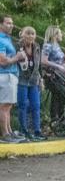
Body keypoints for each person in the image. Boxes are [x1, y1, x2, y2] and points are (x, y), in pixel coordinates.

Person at [15, 27, 46, 141]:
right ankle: (24, 130)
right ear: (22, 34)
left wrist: (41, 79)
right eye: (28, 33)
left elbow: (39, 65)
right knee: (22, 105)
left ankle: (37, 131)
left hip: (34, 81)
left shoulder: (37, 46)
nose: (30, 36)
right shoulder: (17, 46)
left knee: (36, 106)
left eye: (33, 34)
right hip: (21, 80)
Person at [0, 15, 26, 143]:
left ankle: (9, 131)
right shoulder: (0, 39)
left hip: (11, 75)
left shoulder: (7, 38)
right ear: (1, 24)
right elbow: (3, 61)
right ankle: (5, 134)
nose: (11, 25)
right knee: (4, 106)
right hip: (5, 75)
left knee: (8, 106)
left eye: (12, 23)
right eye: (8, 23)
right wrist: (17, 57)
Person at [42, 26, 65, 124]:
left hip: (60, 76)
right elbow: (43, 61)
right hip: (52, 76)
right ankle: (54, 119)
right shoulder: (48, 45)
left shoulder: (57, 46)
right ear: (55, 35)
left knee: (61, 96)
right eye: (60, 33)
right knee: (56, 96)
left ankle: (61, 119)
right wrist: (58, 66)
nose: (61, 35)